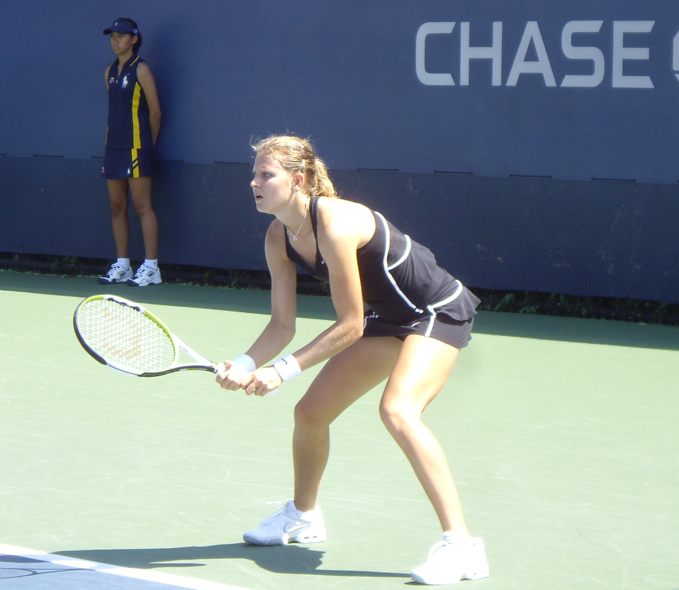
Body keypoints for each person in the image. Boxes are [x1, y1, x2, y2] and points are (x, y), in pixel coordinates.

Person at [215, 135, 489, 585]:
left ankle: (462, 546)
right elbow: (283, 325)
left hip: (435, 310)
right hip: (388, 318)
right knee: (309, 413)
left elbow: (350, 325)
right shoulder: (277, 237)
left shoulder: (336, 223)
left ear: (297, 180)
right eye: (254, 174)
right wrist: (244, 364)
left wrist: (281, 371)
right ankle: (304, 516)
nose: (254, 183)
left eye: (266, 175)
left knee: (398, 411)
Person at [98, 18, 162, 287]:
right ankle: (123, 265)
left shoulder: (142, 69)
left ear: (133, 39)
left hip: (137, 147)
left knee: (141, 206)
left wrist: (147, 146)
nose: (116, 40)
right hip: (113, 148)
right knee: (116, 206)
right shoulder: (109, 72)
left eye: (121, 36)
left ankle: (151, 268)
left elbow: (156, 112)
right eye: (112, 36)